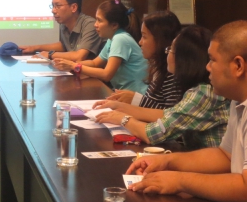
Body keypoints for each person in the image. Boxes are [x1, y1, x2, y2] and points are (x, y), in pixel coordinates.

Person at [126, 20, 247, 202]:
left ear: (238, 66)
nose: (207, 67)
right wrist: (168, 161)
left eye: (213, 60)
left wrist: (179, 181)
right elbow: (224, 156)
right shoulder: (236, 100)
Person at [94, 26, 229, 148]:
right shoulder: (196, 87)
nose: (167, 53)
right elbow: (169, 114)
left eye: (170, 50)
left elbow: (153, 134)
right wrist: (120, 107)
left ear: (184, 58)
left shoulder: (204, 93)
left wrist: (123, 119)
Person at [53, 0, 147, 93]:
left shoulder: (120, 39)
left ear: (114, 25)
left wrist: (74, 66)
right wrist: (69, 65)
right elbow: (95, 63)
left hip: (137, 96)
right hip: (124, 94)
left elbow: (106, 75)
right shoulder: (112, 38)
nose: (95, 25)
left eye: (99, 20)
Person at [97, 11, 183, 110]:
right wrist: (131, 98)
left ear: (160, 39)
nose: (140, 42)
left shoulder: (171, 73)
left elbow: (169, 114)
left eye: (144, 37)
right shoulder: (157, 67)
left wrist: (136, 100)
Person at [19, 0, 104, 61]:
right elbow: (64, 46)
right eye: (53, 6)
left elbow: (79, 56)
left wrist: (50, 54)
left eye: (58, 6)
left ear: (73, 7)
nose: (53, 10)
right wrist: (34, 48)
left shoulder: (90, 25)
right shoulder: (64, 24)